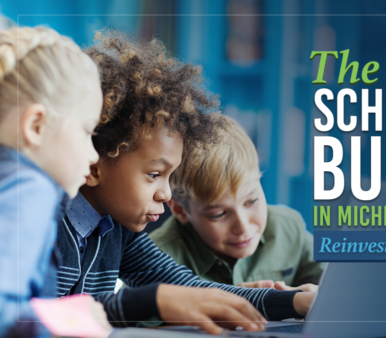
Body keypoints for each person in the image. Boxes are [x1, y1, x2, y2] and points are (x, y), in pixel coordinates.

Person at [54, 30, 314, 335]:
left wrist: (296, 301)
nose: (165, 194)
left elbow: (195, 291)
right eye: (154, 175)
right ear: (94, 167)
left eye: (169, 175)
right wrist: (149, 301)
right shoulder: (46, 225)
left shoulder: (117, 231)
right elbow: (35, 317)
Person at [0, 27, 106, 337]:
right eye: (87, 132)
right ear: (36, 125)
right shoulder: (29, 189)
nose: (93, 155)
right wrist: (69, 318)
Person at [152, 114, 323, 291]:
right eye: (218, 214)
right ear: (180, 210)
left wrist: (319, 297)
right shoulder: (156, 259)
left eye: (251, 202)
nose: (242, 227)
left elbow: (340, 287)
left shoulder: (288, 227)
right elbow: (134, 315)